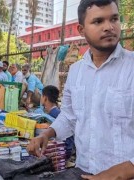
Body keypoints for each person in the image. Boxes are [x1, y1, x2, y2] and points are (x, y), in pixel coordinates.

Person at [27, 0, 134, 179]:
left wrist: (120, 173)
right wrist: (47, 134)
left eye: (114, 19)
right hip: (83, 171)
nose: (109, 27)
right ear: (81, 30)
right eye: (98, 21)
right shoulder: (76, 71)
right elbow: (70, 116)